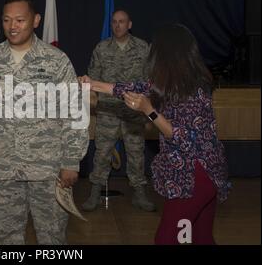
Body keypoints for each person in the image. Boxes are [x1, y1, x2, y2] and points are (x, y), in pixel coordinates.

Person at [81, 23, 230, 245]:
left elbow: (185, 138)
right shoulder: (174, 83)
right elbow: (135, 87)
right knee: (201, 238)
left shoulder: (195, 90)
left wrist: (149, 111)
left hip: (195, 177)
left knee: (167, 239)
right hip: (201, 175)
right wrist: (93, 84)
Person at [0, 0, 89, 245]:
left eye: (20, 20)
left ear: (36, 20)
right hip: (4, 169)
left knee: (52, 237)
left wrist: (71, 161)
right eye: (7, 20)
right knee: (7, 237)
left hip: (48, 169)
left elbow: (74, 112)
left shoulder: (57, 61)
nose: (13, 26)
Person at [82, 9, 155, 212]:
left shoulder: (142, 48)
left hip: (134, 111)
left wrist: (149, 112)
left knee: (136, 153)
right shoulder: (102, 48)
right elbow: (92, 79)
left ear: (129, 24)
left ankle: (139, 194)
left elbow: (150, 82)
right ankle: (94, 193)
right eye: (114, 22)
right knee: (102, 153)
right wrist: (94, 105)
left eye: (122, 22)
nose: (118, 25)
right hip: (108, 110)